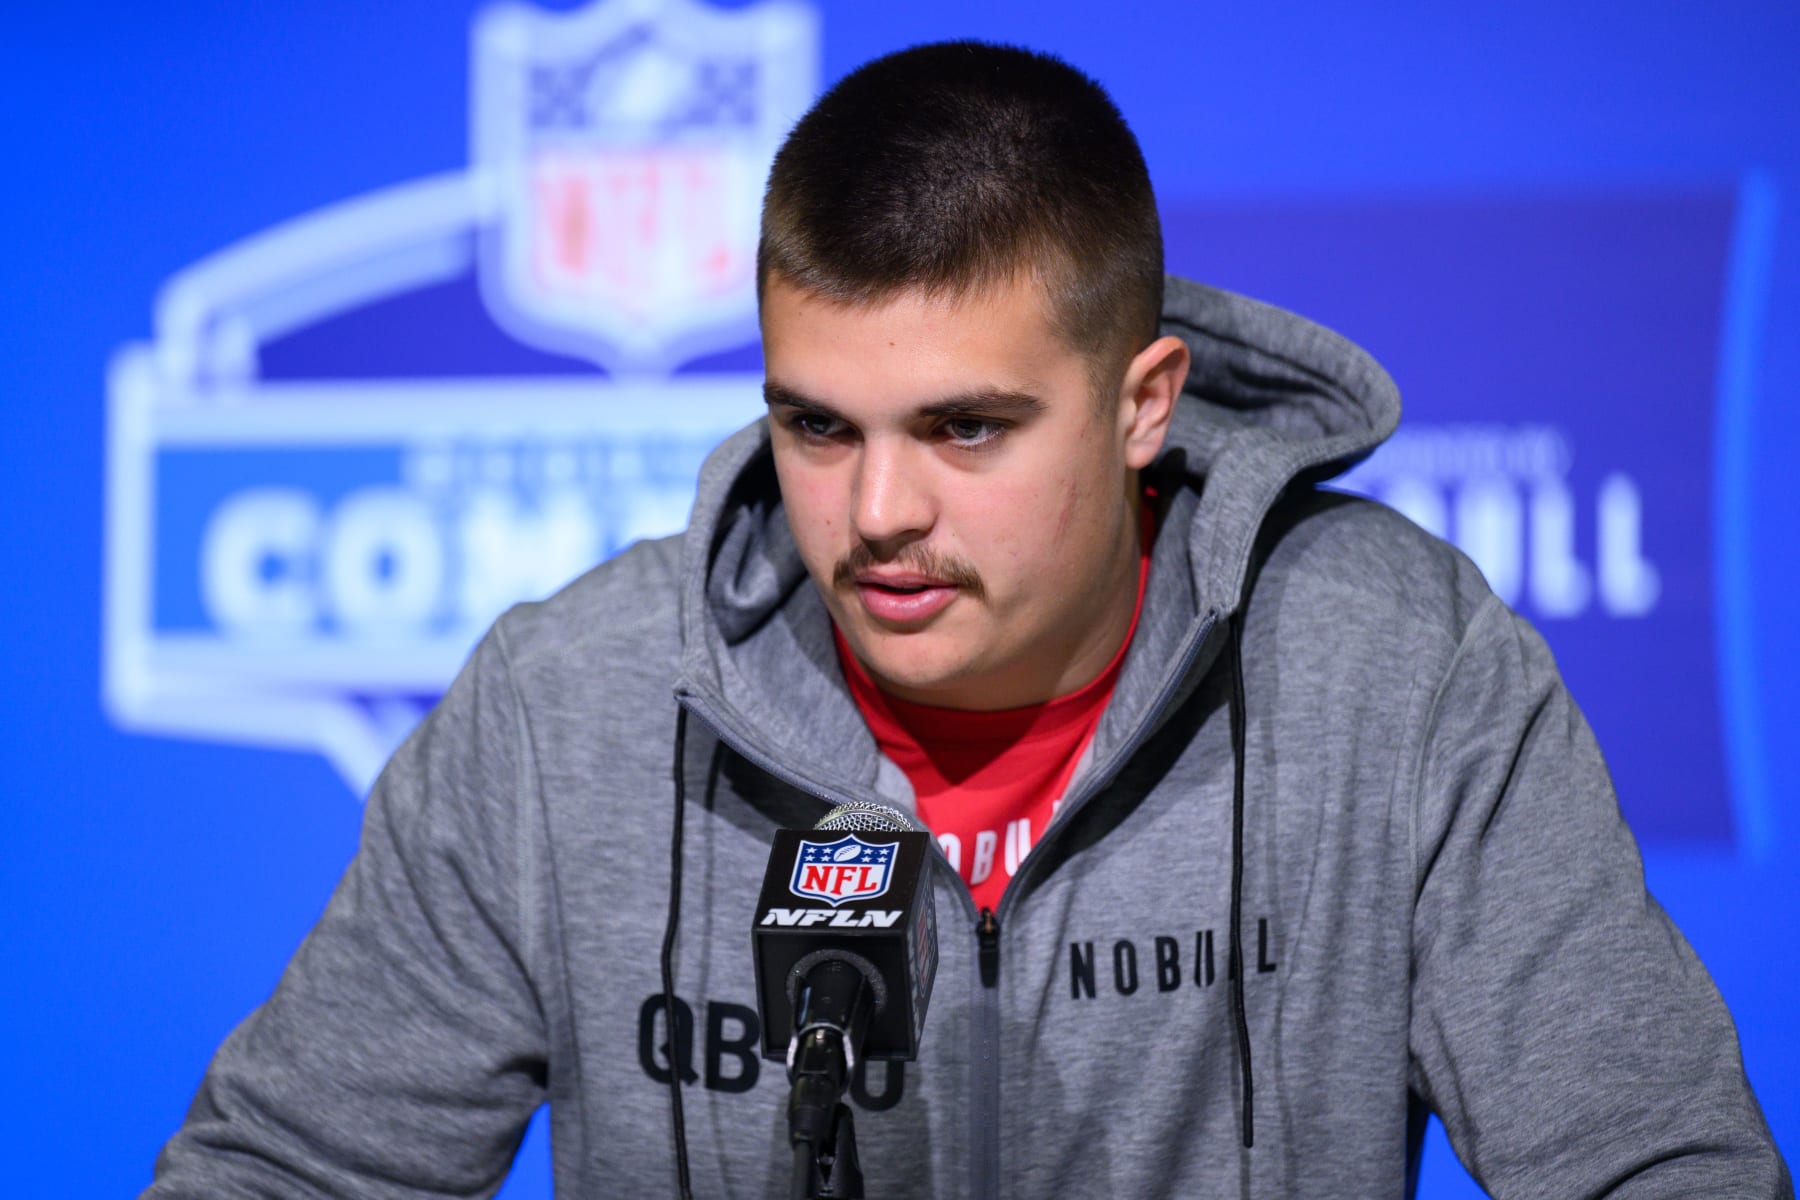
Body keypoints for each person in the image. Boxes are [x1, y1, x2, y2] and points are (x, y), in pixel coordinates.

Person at [145, 40, 1789, 1199]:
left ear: (1143, 403)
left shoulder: (1392, 673)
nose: (877, 514)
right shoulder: (567, 703)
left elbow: (1656, 1165)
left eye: (965, 430)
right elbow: (287, 1173)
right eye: (817, 426)